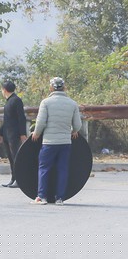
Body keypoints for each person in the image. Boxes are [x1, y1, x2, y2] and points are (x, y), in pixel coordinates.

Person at [31, 77, 82, 205]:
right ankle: (60, 198)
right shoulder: (72, 103)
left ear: (51, 88)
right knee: (62, 169)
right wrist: (74, 130)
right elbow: (77, 124)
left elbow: (41, 122)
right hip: (65, 142)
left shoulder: (46, 102)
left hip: (49, 142)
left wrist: (36, 134)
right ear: (64, 88)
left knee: (44, 168)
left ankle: (42, 197)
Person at [0, 80, 27, 188]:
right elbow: (6, 119)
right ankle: (13, 178)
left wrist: (23, 133)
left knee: (15, 157)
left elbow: (21, 118)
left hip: (14, 134)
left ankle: (19, 180)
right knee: (10, 157)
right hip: (7, 134)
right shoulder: (8, 101)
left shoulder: (16, 100)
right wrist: (0, 133)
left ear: (4, 90)